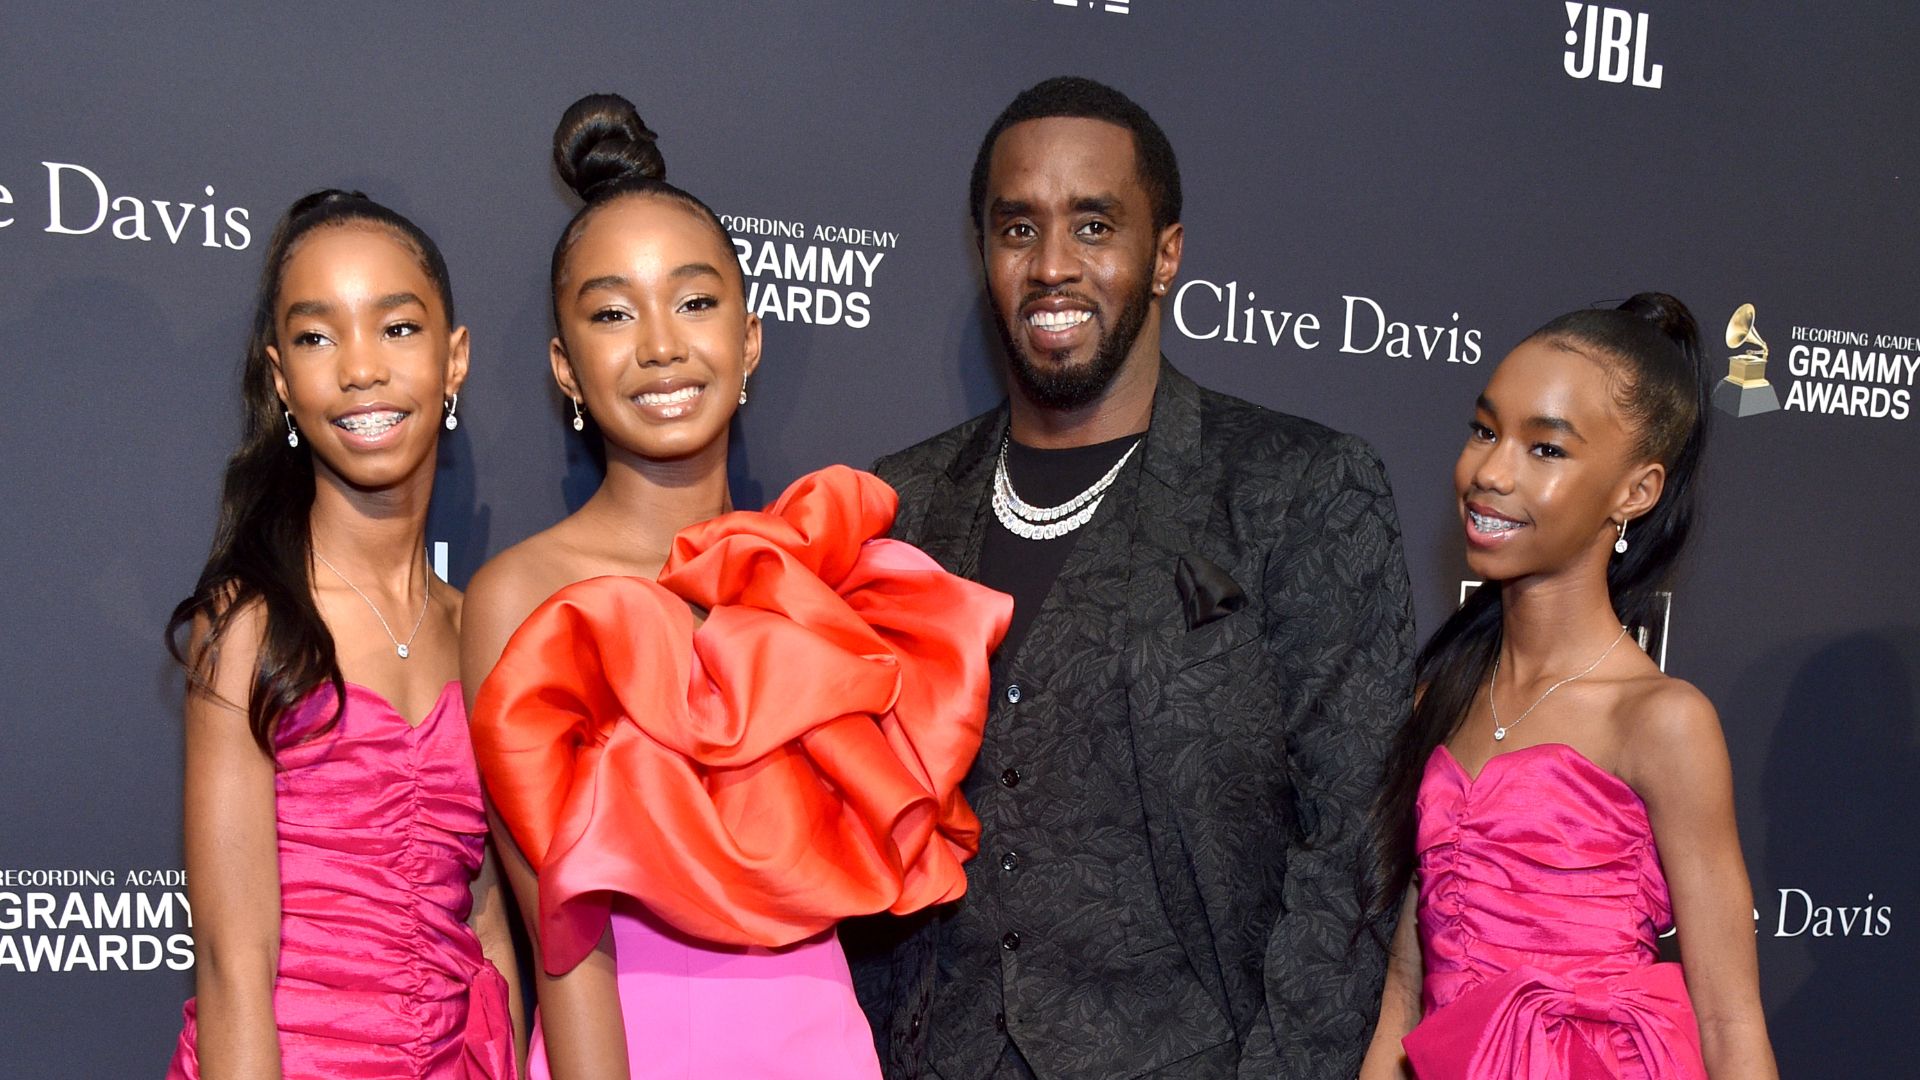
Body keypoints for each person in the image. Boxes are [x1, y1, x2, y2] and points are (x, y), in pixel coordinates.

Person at [845, 76, 1416, 1080]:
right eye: (1018, 229)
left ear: (1166, 255)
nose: (1052, 265)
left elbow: (1353, 850)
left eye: (1094, 225)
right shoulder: (905, 504)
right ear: (984, 253)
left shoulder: (1296, 487)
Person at [460, 93, 1010, 1080]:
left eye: (695, 302)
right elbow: (564, 937)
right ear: (565, 369)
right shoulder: (523, 596)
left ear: (750, 338)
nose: (661, 345)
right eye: (612, 313)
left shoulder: (821, 574)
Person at [1358, 294, 1779, 1078]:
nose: (1490, 472)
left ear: (1635, 492)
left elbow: (1729, 1022)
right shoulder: (1442, 697)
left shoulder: (1662, 720)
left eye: (1546, 449)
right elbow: (1404, 996)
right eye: (1486, 430)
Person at [165, 190, 519, 1079]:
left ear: (454, 357)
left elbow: (486, 923)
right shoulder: (249, 627)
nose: (361, 369)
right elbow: (233, 968)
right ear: (282, 379)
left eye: (397, 328)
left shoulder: (483, 628)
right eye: (319, 337)